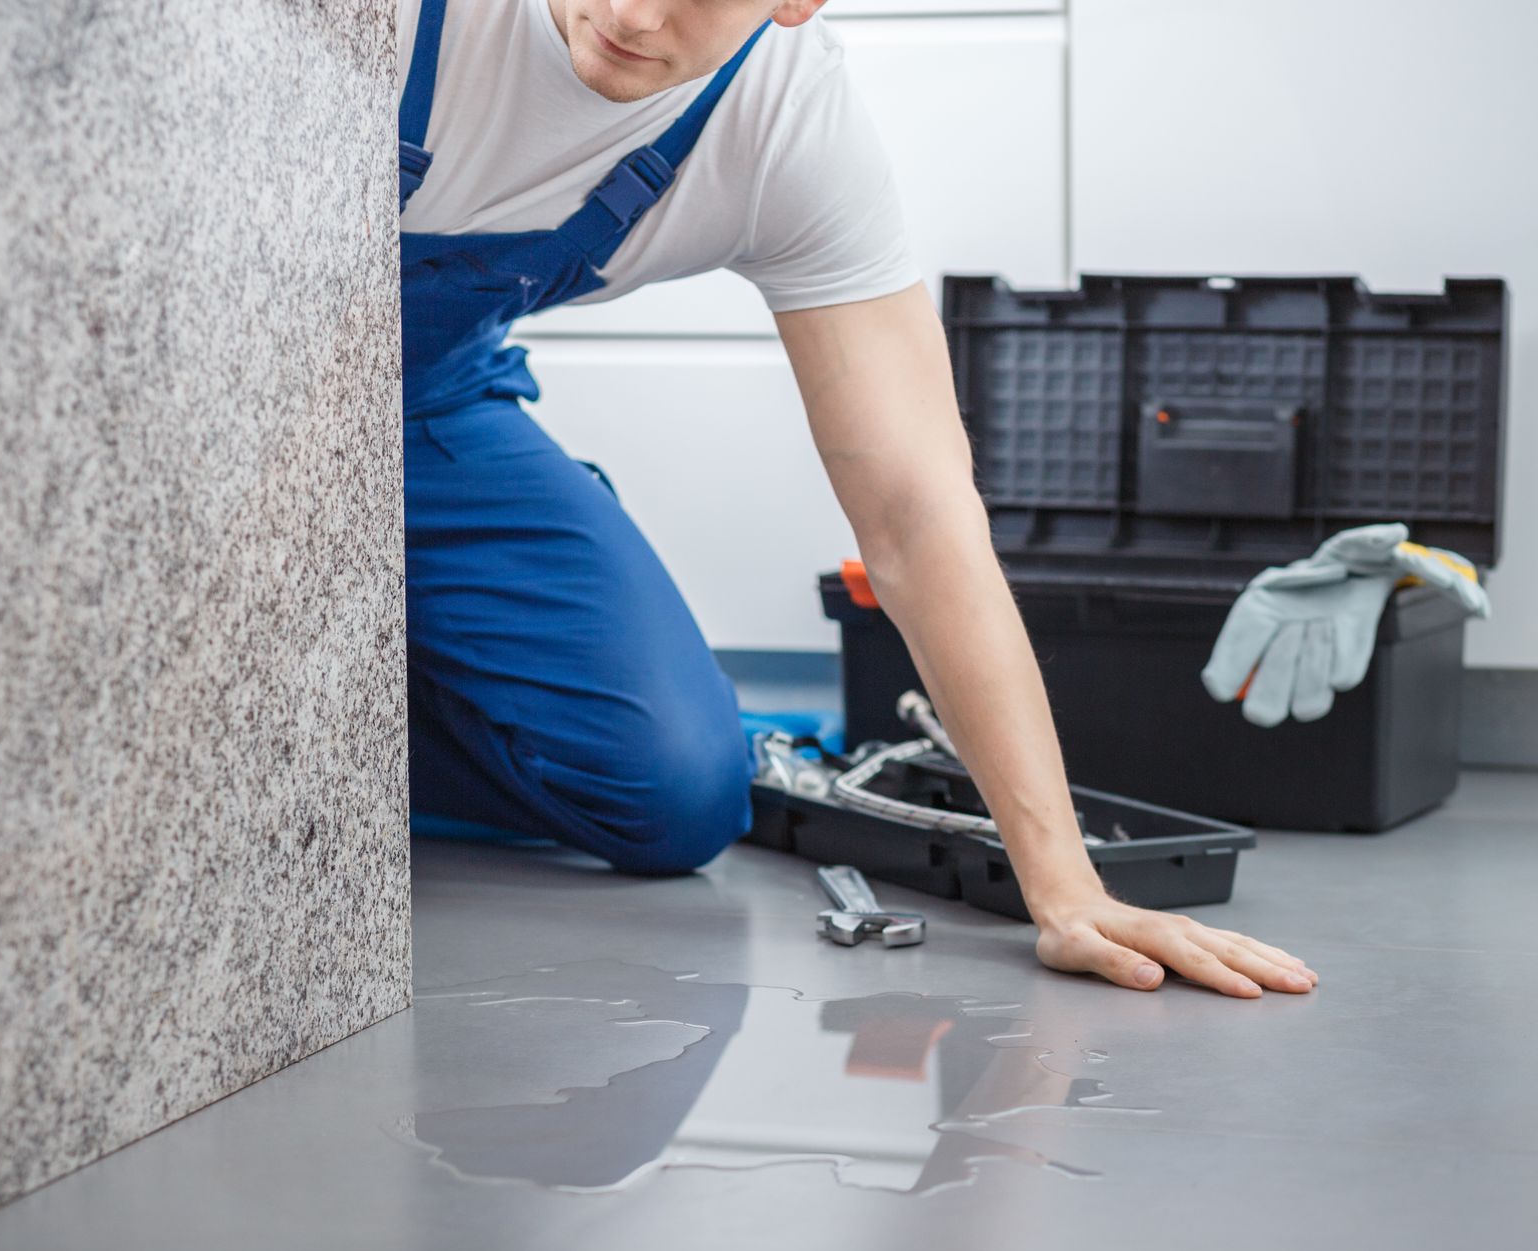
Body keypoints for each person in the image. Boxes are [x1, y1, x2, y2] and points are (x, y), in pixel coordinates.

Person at [399, 0, 1319, 1000]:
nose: (631, 11)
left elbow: (918, 515)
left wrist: (1065, 887)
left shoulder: (787, 130)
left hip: (427, 403)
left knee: (675, 793)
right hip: (220, 365)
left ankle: (374, 707)